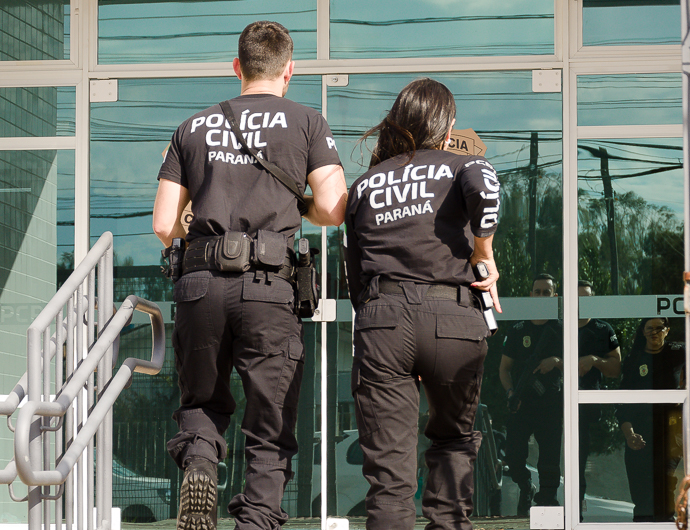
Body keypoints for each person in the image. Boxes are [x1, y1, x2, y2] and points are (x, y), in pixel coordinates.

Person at [152, 21, 347, 530]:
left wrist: (204, 231)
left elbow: (164, 224)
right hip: (268, 285)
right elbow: (333, 207)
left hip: (200, 284)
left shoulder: (192, 128)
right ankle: (256, 521)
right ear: (289, 70)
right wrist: (299, 205)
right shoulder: (307, 122)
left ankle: (200, 462)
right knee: (270, 420)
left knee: (202, 400)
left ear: (237, 66)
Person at [343, 77, 502, 530]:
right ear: (447, 127)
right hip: (452, 317)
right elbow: (486, 190)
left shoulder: (365, 184)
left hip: (383, 318)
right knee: (453, 442)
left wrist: (380, 326)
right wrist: (484, 252)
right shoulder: (463, 165)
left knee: (388, 475)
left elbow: (354, 273)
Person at [499, 273, 563, 515]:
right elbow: (504, 369)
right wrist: (510, 392)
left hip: (551, 404)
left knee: (549, 460)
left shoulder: (561, 328)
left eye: (547, 292)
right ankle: (526, 486)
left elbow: (576, 365)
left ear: (554, 296)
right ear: (530, 295)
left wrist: (556, 362)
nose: (541, 296)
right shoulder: (518, 329)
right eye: (537, 292)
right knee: (513, 457)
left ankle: (547, 505)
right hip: (521, 403)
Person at [616, 317, 685, 522]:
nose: (654, 332)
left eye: (659, 328)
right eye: (649, 328)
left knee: (664, 489)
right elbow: (623, 403)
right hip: (639, 434)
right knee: (642, 496)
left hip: (670, 432)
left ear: (667, 330)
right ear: (643, 332)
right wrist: (629, 435)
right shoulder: (634, 359)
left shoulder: (678, 352)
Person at [576, 280, 621, 519]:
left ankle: (577, 512)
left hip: (586, 404)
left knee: (579, 459)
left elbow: (616, 369)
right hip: (553, 404)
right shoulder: (558, 326)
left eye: (586, 298)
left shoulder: (603, 329)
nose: (581, 303)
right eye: (577, 297)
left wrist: (594, 360)